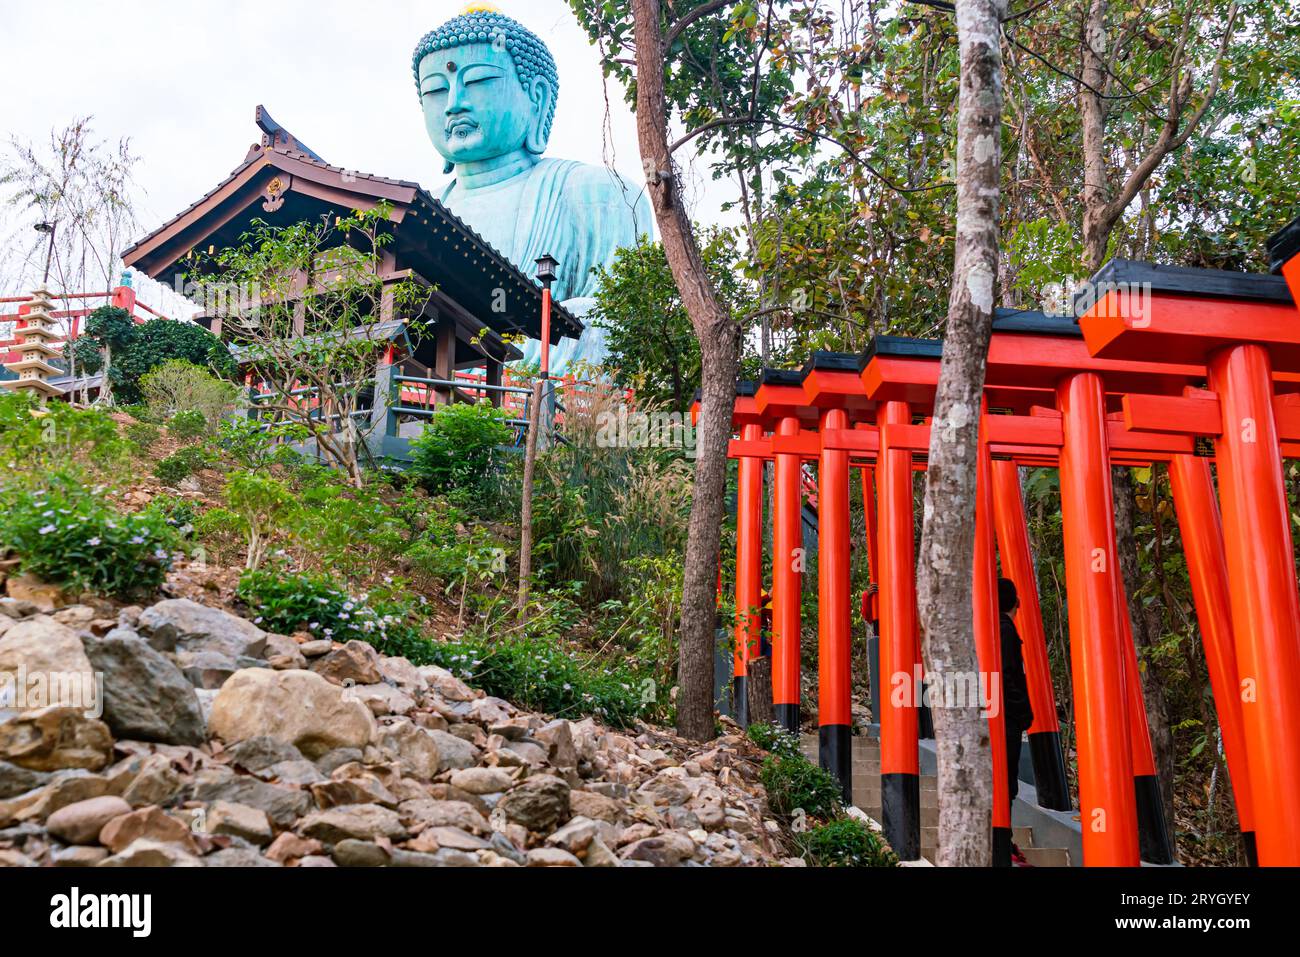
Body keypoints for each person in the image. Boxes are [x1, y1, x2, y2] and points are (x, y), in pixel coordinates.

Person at [998, 577, 1034, 866]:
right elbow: (1008, 675)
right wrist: (1022, 710)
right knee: (1005, 781)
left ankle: (1003, 838)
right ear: (1014, 601)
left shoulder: (995, 629)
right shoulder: (1005, 631)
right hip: (1006, 718)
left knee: (1004, 780)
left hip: (1000, 715)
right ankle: (1001, 840)